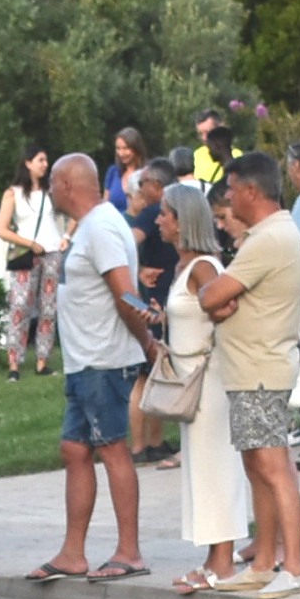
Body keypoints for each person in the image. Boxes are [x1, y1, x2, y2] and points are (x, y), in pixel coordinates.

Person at [27, 153, 155, 584]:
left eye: (52, 183)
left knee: (113, 448)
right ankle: (73, 553)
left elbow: (126, 294)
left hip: (104, 360)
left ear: (66, 184)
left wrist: (147, 342)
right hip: (85, 361)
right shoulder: (90, 226)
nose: (49, 190)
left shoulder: (101, 227)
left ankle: (129, 552)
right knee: (75, 449)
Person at [197, 151, 300, 599]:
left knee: (273, 466)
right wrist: (219, 302)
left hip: (261, 370)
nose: (227, 199)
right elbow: (220, 299)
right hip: (250, 370)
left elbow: (211, 296)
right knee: (256, 465)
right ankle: (263, 562)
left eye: (230, 190)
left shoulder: (268, 240)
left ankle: (293, 566)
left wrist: (215, 300)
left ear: (250, 191)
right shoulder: (269, 235)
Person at [152, 186, 251, 590]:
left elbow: (226, 306)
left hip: (208, 381)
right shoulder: (184, 267)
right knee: (201, 468)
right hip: (190, 380)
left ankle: (223, 562)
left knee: (216, 467)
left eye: (164, 213)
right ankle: (214, 556)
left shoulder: (203, 267)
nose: (158, 220)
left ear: (182, 221)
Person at [0, 143, 64, 380]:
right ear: (28, 163)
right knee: (20, 305)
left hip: (52, 251)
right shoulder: (12, 193)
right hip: (27, 253)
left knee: (48, 307)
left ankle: (43, 360)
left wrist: (66, 237)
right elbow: (1, 228)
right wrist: (29, 243)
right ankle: (14, 363)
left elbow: (70, 214)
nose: (45, 165)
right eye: (40, 160)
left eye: (46, 160)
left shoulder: (51, 191)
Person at [129, 158, 180, 464]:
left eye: (143, 183)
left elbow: (128, 242)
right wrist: (137, 271)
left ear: (157, 185)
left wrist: (136, 270)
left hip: (154, 301)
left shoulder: (151, 212)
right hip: (158, 303)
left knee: (150, 374)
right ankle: (147, 442)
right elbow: (128, 243)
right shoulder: (158, 213)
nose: (140, 188)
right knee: (150, 374)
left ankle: (147, 442)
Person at [103, 126, 147, 217]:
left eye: (125, 148)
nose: (121, 153)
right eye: (118, 148)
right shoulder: (113, 172)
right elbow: (105, 204)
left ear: (136, 148)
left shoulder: (146, 174)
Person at [192, 108, 240, 187]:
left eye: (208, 132)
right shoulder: (197, 155)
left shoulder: (237, 156)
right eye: (200, 134)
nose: (204, 138)